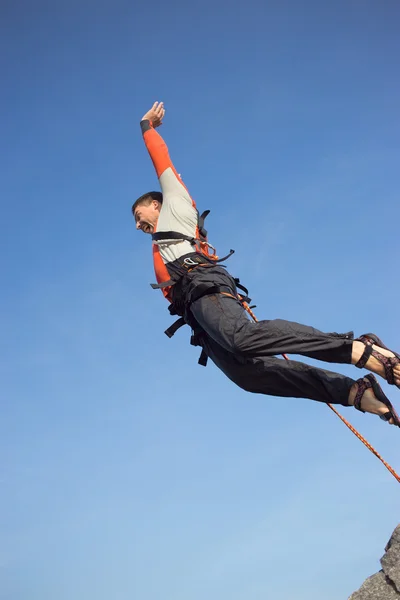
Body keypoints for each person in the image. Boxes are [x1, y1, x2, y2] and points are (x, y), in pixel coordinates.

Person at [132, 101, 400, 427]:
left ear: (156, 204)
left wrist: (147, 127)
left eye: (139, 216)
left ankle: (359, 350)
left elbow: (162, 161)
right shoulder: (158, 245)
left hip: (204, 287)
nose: (137, 225)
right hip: (197, 313)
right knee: (248, 375)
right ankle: (353, 392)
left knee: (241, 338)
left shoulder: (174, 204)